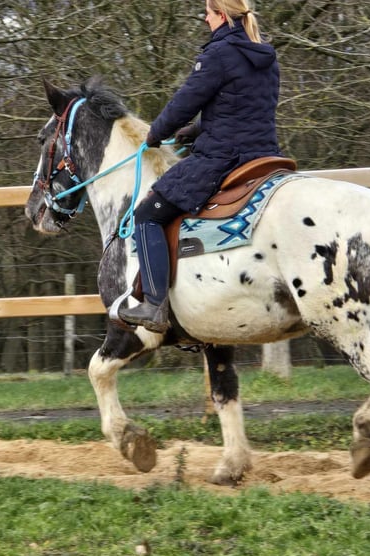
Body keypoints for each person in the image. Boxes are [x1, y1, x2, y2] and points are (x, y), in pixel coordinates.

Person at [118, 0, 282, 333]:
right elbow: (245, 110)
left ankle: (154, 305)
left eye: (207, 12)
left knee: (147, 214)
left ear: (221, 15)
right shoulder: (266, 55)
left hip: (224, 158)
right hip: (264, 155)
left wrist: (156, 133)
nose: (205, 19)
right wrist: (195, 130)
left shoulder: (218, 54)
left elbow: (184, 103)